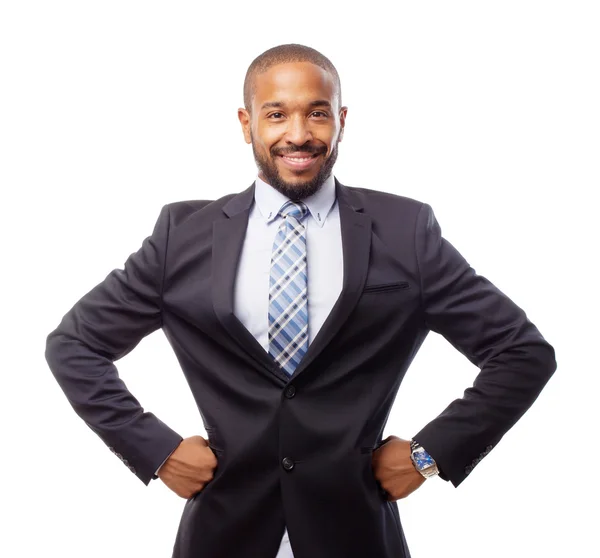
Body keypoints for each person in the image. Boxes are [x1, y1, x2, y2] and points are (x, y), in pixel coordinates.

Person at [45, 43, 557, 558]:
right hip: (223, 533)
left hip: (356, 532)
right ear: (247, 124)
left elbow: (522, 353)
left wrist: (429, 455)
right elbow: (75, 346)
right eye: (276, 114)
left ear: (341, 120)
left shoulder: (405, 232)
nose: (298, 134)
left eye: (317, 113)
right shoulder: (182, 235)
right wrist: (156, 451)